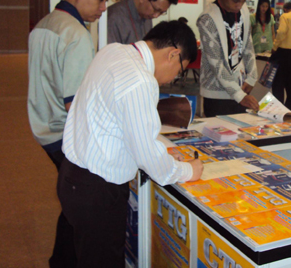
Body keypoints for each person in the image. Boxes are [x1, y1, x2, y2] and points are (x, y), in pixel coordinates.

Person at [58, 21, 204, 267]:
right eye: (179, 72)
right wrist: (190, 170)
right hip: (98, 191)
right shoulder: (141, 80)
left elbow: (119, 121)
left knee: (73, 255)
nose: (172, 80)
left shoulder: (113, 50)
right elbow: (151, 162)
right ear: (173, 54)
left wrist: (164, 152)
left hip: (72, 177)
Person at [27, 0, 119, 267]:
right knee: (87, 209)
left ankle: (60, 260)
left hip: (43, 127)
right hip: (65, 133)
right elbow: (77, 104)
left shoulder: (45, 23)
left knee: (71, 205)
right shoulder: (77, 35)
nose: (103, 8)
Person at [196, 0, 259, 117]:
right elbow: (216, 63)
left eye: (243, 1)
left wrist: (252, 77)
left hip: (241, 88)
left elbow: (248, 45)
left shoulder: (243, 11)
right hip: (217, 94)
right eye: (236, 1)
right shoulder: (208, 19)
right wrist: (239, 95)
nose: (239, 6)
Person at [107, 0, 178, 44]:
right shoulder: (115, 16)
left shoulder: (147, 14)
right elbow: (109, 54)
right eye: (156, 9)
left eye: (161, 12)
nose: (156, 15)